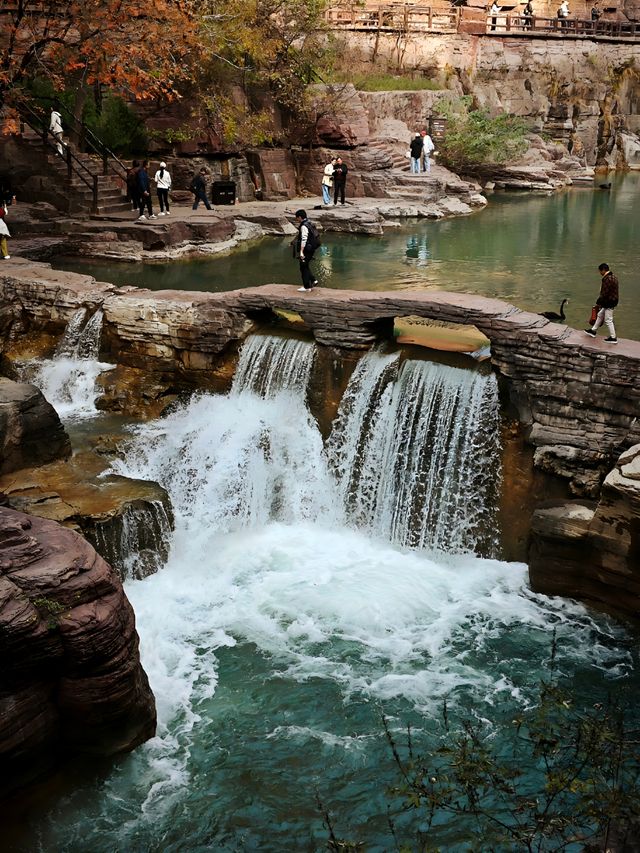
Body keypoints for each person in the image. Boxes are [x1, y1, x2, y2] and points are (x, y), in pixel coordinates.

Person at [584, 262, 618, 343]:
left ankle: (613, 338)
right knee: (600, 315)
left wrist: (598, 302)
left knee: (608, 320)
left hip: (609, 302)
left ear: (603, 270)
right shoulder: (614, 277)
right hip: (612, 300)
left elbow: (604, 292)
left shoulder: (607, 279)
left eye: (600, 271)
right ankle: (593, 330)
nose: (600, 273)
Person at [293, 209, 319, 292]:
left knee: (303, 267)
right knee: (305, 265)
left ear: (300, 217)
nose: (297, 220)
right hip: (312, 248)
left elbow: (304, 239)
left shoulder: (304, 226)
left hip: (306, 249)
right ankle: (313, 280)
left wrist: (301, 251)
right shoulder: (309, 223)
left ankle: (306, 287)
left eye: (297, 218)